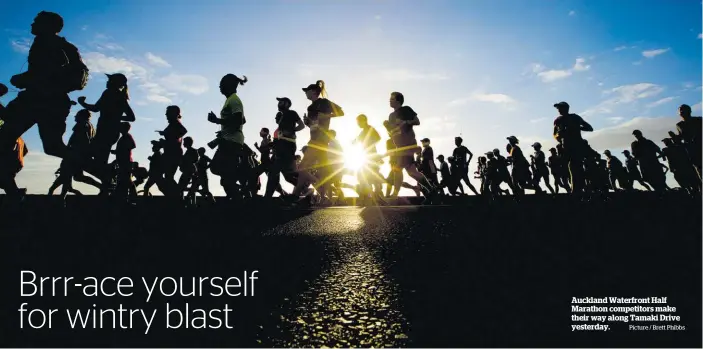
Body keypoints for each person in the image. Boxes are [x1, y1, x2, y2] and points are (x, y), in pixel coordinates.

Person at [0, 12, 88, 170]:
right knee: (53, 147)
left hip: (39, 99)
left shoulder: (47, 43)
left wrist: (24, 79)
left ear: (48, 25)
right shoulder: (54, 44)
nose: (32, 25)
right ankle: (102, 171)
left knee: (6, 136)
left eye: (36, 22)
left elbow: (47, 72)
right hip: (48, 100)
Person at [77, 73, 135, 194]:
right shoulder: (120, 97)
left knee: (90, 157)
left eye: (110, 80)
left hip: (105, 132)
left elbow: (96, 108)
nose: (107, 82)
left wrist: (82, 103)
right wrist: (117, 118)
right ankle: (107, 183)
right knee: (98, 159)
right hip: (110, 132)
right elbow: (131, 117)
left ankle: (108, 182)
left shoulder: (109, 93)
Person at [290, 80, 344, 203]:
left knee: (302, 167)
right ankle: (323, 197)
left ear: (313, 92)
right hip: (315, 140)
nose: (305, 94)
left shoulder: (324, 102)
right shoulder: (310, 107)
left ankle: (296, 195)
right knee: (323, 172)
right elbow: (313, 125)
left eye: (307, 91)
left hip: (320, 142)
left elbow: (341, 112)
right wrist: (308, 122)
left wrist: (327, 116)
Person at [387, 91, 437, 203]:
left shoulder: (406, 109)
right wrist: (390, 130)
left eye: (392, 99)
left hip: (408, 144)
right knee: (411, 171)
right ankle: (431, 190)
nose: (389, 100)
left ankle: (394, 196)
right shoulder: (391, 116)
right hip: (399, 147)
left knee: (398, 169)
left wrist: (405, 122)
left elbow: (417, 121)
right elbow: (393, 132)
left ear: (398, 101)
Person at [266, 97, 304, 198]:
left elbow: (301, 125)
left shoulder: (292, 113)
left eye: (281, 102)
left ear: (287, 104)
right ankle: (305, 189)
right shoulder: (280, 116)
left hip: (288, 146)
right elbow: (279, 133)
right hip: (280, 146)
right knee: (287, 176)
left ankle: (267, 198)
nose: (279, 104)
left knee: (274, 171)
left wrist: (292, 130)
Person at [552, 101, 593, 195]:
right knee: (567, 168)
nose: (558, 110)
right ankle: (576, 188)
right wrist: (559, 136)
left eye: (560, 108)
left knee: (576, 166)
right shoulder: (558, 120)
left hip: (577, 145)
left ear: (566, 108)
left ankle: (579, 188)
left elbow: (589, 128)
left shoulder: (575, 117)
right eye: (558, 108)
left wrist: (577, 128)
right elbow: (554, 134)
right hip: (565, 147)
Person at [157, 105, 187, 190]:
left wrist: (166, 137)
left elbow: (183, 131)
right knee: (167, 176)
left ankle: (176, 195)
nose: (166, 114)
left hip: (173, 154)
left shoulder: (175, 123)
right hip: (170, 153)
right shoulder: (173, 124)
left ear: (173, 114)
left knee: (167, 177)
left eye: (168, 113)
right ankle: (175, 195)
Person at [675, 104, 702, 181]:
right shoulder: (679, 125)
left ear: (689, 111)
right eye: (680, 111)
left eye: (684, 110)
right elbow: (681, 137)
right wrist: (675, 138)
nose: (682, 112)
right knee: (699, 169)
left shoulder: (699, 120)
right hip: (692, 151)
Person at [112, 122, 136, 200]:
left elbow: (132, 145)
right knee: (123, 180)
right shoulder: (123, 137)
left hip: (126, 162)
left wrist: (120, 151)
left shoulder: (127, 136)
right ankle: (125, 196)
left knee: (126, 180)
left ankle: (133, 197)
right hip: (122, 162)